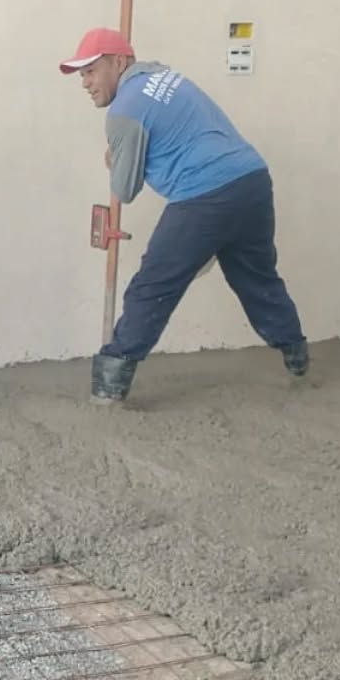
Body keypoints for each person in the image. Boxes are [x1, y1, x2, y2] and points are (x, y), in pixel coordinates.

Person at [60, 28, 310, 402]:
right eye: (81, 75)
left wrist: (113, 160)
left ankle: (110, 381)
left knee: (153, 284)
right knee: (256, 278)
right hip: (252, 181)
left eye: (92, 71)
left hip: (205, 194)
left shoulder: (124, 110)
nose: (85, 83)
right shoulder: (166, 76)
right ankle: (296, 357)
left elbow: (125, 190)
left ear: (119, 62)